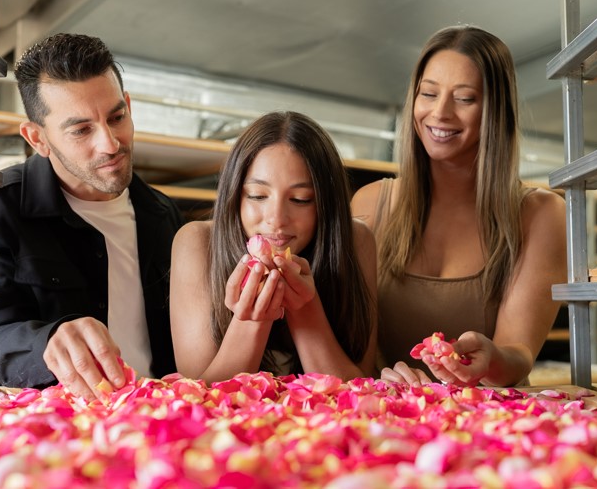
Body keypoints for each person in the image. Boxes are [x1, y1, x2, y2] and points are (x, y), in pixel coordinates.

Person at [0, 33, 183, 399]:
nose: (111, 144)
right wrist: (47, 341)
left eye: (117, 117)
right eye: (82, 129)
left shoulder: (165, 215)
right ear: (38, 138)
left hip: (162, 419)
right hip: (54, 434)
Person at [351, 25, 566, 388]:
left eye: (464, 98)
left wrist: (491, 360)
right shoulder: (369, 205)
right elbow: (354, 348)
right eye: (428, 93)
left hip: (491, 426)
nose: (440, 112)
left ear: (494, 111)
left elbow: (517, 354)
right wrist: (378, 376)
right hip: (384, 422)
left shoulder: (541, 214)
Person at [170, 111, 377, 383]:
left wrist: (305, 306)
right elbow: (200, 397)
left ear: (327, 205)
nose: (276, 219)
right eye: (257, 196)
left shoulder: (355, 240)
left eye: (301, 199)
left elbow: (356, 392)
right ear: (235, 195)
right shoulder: (197, 243)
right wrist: (251, 319)